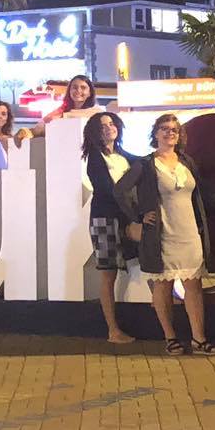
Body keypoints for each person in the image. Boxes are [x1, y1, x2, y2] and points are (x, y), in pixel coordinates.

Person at [116, 112, 215, 354]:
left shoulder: (186, 162)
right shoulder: (146, 165)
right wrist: (138, 215)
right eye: (165, 128)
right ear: (156, 133)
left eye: (174, 130)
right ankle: (170, 337)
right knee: (163, 286)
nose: (170, 133)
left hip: (189, 233)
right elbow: (120, 191)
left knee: (194, 285)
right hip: (162, 234)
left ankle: (199, 339)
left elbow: (204, 192)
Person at [81, 111, 136, 345]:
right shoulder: (95, 158)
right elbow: (106, 190)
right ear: (95, 132)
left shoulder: (124, 156)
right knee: (108, 275)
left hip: (126, 219)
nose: (109, 128)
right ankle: (113, 330)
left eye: (112, 123)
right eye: (103, 126)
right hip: (105, 219)